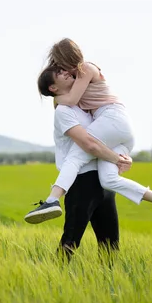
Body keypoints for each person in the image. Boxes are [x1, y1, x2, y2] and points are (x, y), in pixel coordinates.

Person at [24, 56, 152, 225]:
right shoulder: (70, 105)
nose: (65, 72)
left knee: (75, 157)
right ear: (53, 86)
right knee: (108, 180)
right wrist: (119, 158)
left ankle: (51, 200)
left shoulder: (80, 85)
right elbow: (94, 141)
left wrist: (56, 98)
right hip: (116, 134)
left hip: (114, 123)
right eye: (59, 72)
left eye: (64, 69)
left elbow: (92, 144)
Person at [34, 99, 123, 260]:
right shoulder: (63, 110)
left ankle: (106, 283)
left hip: (104, 180)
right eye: (63, 73)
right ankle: (55, 279)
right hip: (82, 182)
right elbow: (90, 144)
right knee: (70, 242)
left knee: (111, 246)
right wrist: (117, 159)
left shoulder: (91, 108)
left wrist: (123, 156)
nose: (73, 77)